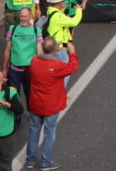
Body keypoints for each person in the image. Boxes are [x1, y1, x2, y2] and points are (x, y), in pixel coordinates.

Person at [27, 36, 79, 171]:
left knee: (34, 130)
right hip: (51, 105)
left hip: (36, 103)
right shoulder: (57, 66)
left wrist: (55, 47)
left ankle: (30, 160)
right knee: (49, 132)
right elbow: (72, 67)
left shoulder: (34, 60)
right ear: (55, 49)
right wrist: (72, 53)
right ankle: (45, 162)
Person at [3, 6, 40, 94]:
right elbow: (7, 51)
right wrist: (4, 69)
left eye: (25, 16)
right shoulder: (12, 29)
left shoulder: (37, 31)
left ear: (30, 17)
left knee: (31, 98)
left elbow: (40, 52)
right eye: (21, 16)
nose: (23, 18)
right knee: (14, 98)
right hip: (14, 70)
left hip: (30, 70)